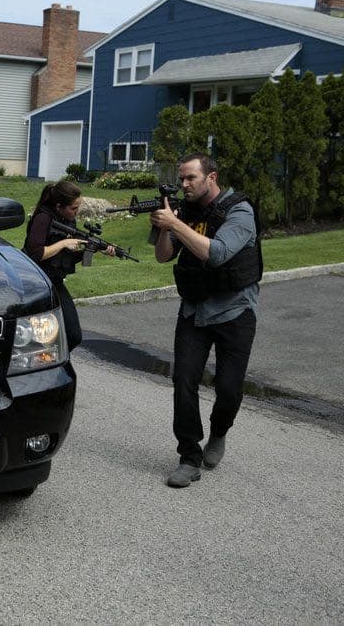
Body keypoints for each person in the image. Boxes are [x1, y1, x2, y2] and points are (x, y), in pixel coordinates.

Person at [150, 153, 262, 488]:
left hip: (234, 310)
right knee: (183, 381)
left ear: (210, 177)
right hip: (193, 310)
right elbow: (162, 256)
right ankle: (188, 455)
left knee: (228, 388)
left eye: (190, 179)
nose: (184, 185)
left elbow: (217, 253)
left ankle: (218, 432)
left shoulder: (240, 211)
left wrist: (175, 224)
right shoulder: (183, 211)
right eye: (182, 179)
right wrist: (165, 226)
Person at [22, 180, 112, 350]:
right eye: (73, 208)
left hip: (55, 281)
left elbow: (66, 258)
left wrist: (95, 249)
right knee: (40, 338)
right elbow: (35, 253)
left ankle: (54, 363)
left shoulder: (68, 221)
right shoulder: (43, 218)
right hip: (36, 282)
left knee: (73, 335)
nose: (76, 212)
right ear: (58, 206)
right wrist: (63, 243)